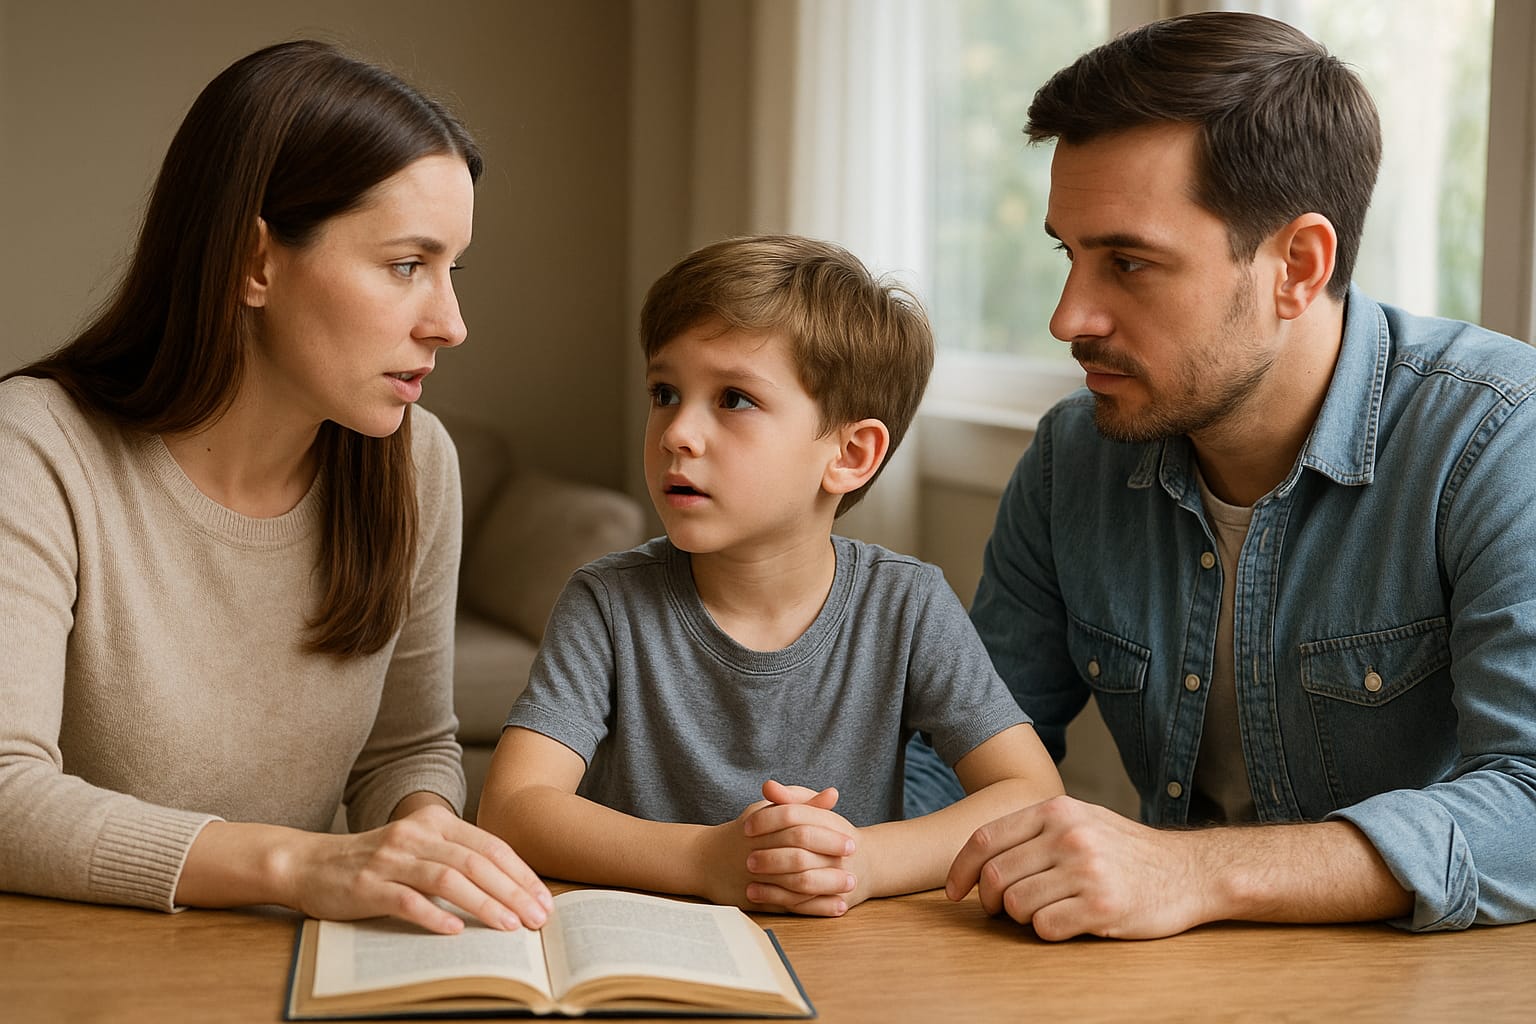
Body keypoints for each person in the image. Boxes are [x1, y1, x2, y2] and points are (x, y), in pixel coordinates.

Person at [905, 10, 1536, 939]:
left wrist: (1195, 872)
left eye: (1128, 262)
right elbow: (970, 753)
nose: (1069, 316)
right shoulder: (1073, 457)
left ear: (1298, 265)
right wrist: (815, 844)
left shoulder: (1496, 437)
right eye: (1068, 256)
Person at [0, 40, 551, 936]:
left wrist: (425, 843)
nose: (450, 322)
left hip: (289, 960)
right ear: (255, 262)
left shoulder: (418, 464)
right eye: (407, 265)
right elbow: (5, 795)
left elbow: (406, 750)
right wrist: (305, 862)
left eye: (456, 269)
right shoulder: (37, 446)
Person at [476, 235, 1064, 916]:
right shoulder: (607, 603)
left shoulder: (908, 604)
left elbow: (1033, 792)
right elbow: (513, 806)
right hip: (653, 943)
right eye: (665, 393)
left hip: (847, 956)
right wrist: (706, 862)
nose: (676, 433)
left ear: (850, 454)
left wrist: (864, 863)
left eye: (733, 399)